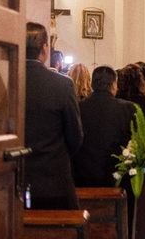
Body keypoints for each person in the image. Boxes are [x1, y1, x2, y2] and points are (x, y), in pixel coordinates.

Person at [25, 22, 83, 210]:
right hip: (53, 180)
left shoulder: (3, 80)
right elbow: (75, 137)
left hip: (11, 180)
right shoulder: (62, 85)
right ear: (44, 49)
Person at [73, 66, 136, 187]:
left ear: (92, 85)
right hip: (118, 175)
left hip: (82, 175)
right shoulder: (128, 108)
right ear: (114, 85)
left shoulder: (78, 107)